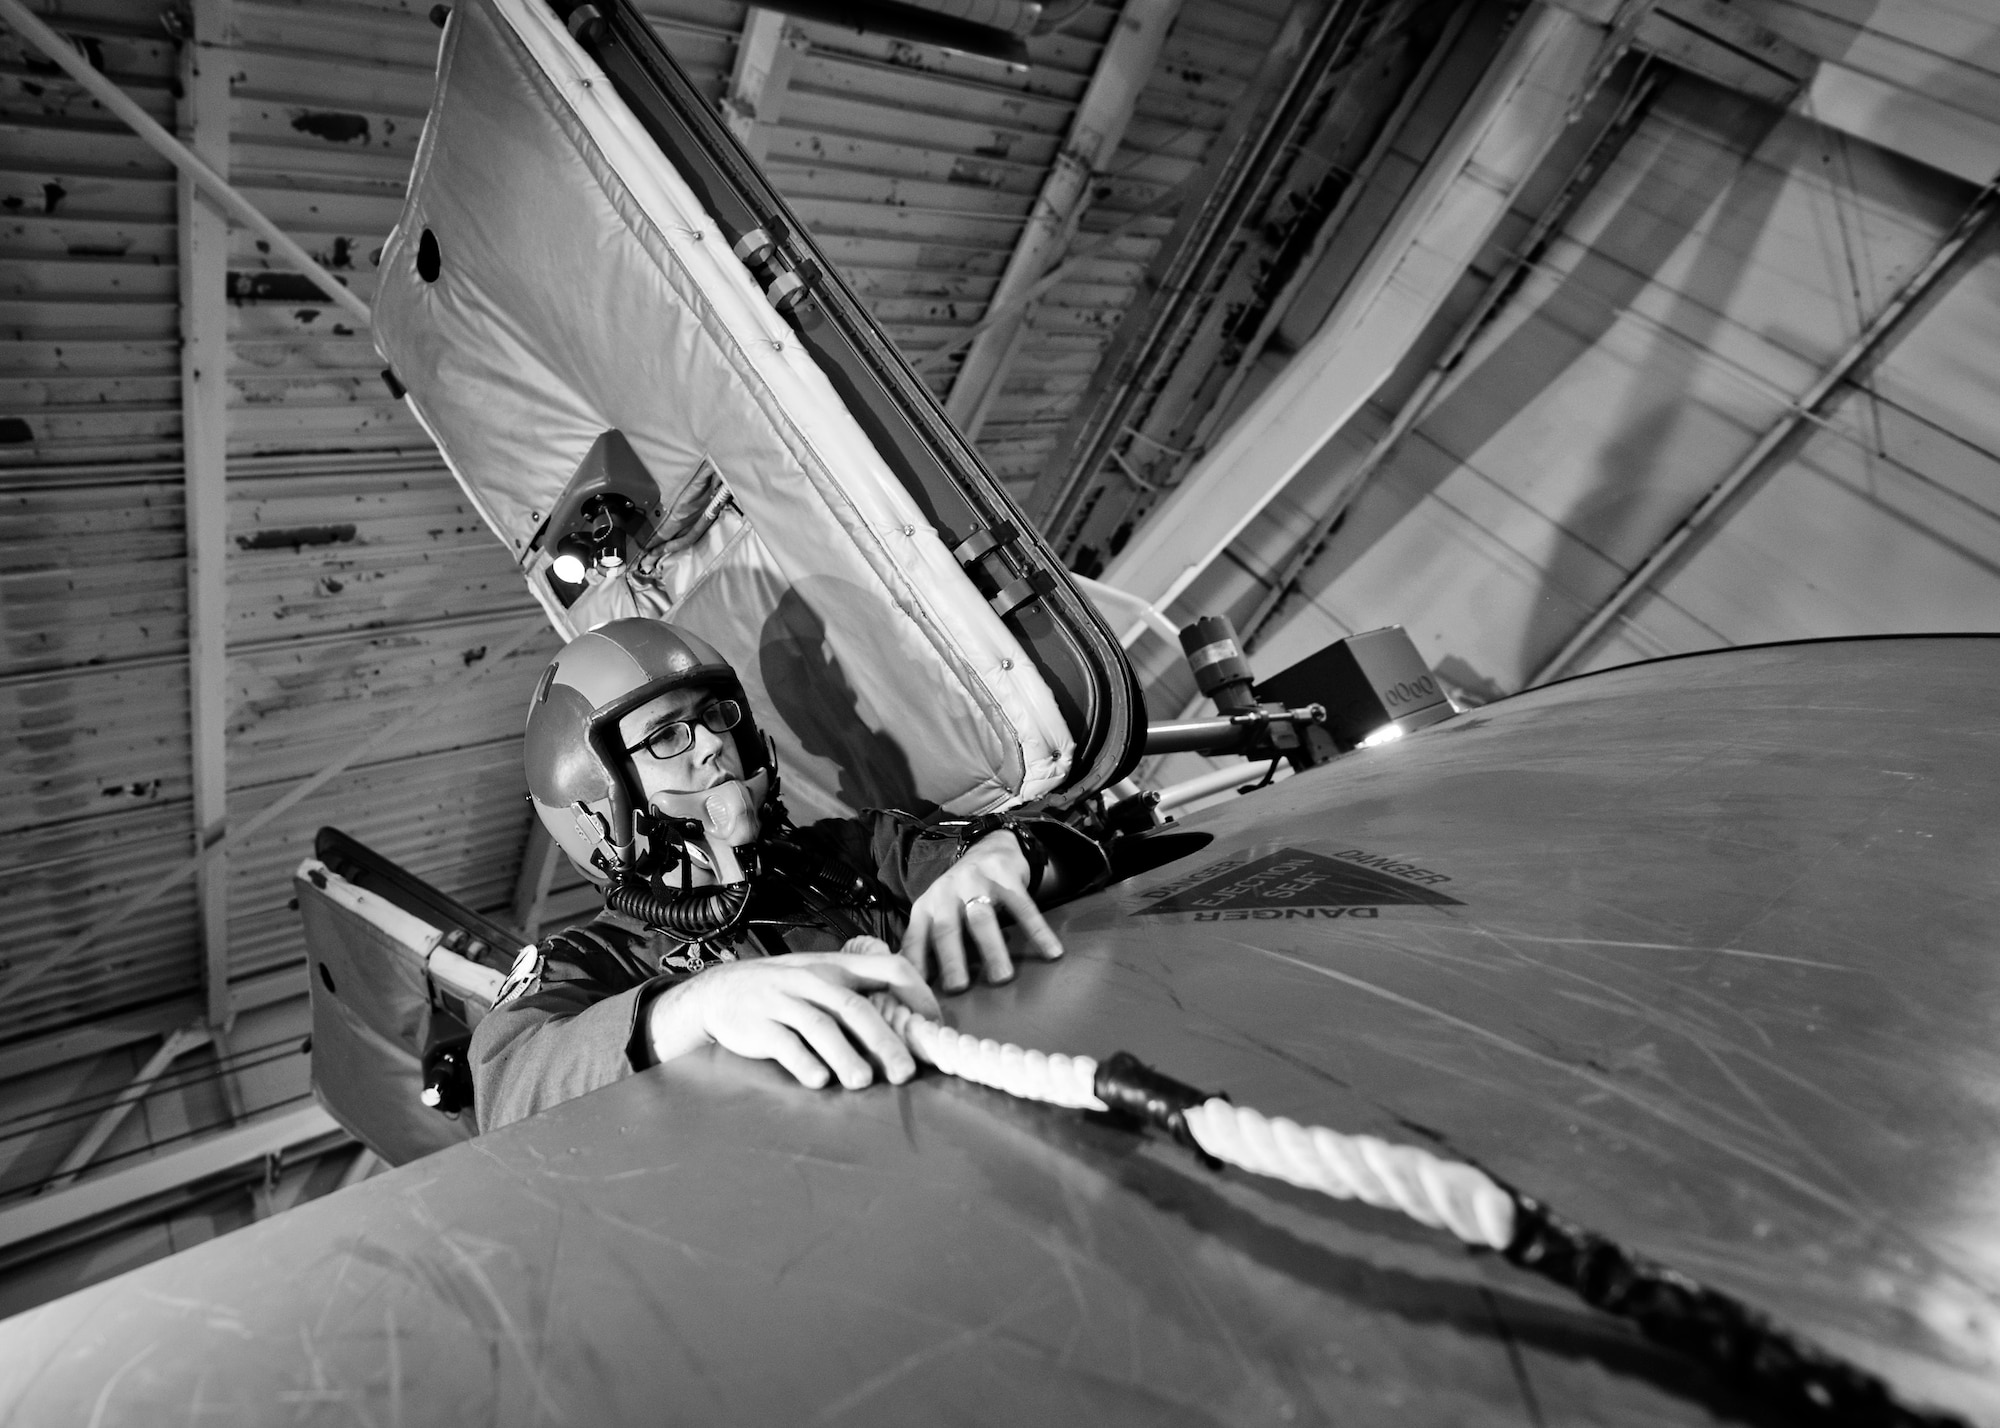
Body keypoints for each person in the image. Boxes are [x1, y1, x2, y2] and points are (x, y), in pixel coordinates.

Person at [470, 617, 1106, 1130]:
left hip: (983, 1122)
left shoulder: (853, 851)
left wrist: (1008, 856)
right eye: (667, 735)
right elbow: (505, 1083)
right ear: (594, 800)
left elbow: (1070, 857)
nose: (713, 744)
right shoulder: (593, 957)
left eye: (716, 715)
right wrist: (696, 1008)